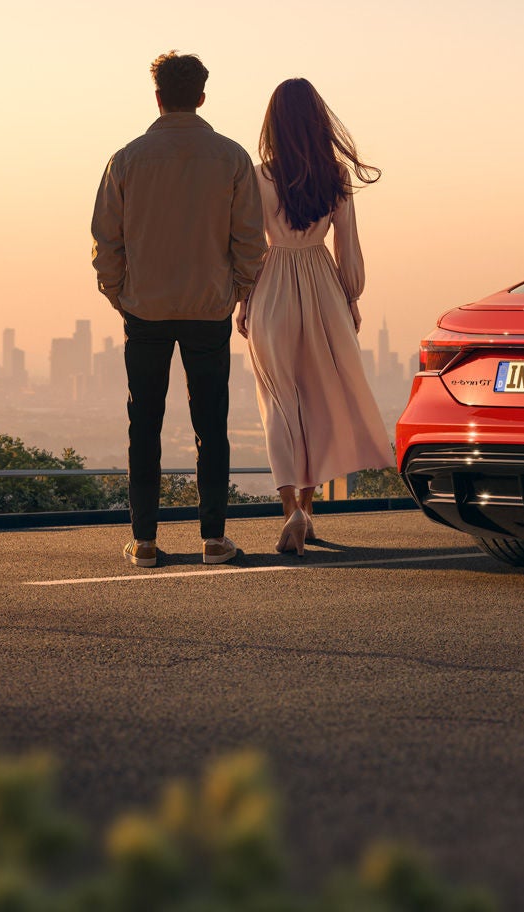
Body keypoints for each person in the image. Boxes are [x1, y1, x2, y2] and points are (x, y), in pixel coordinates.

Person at [92, 51, 265, 568]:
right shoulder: (232, 158)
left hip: (144, 308)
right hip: (207, 308)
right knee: (211, 424)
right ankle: (214, 538)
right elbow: (250, 242)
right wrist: (234, 289)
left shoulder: (126, 158)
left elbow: (107, 239)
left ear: (158, 97)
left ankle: (144, 540)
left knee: (143, 423)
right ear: (202, 97)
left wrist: (119, 294)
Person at [240, 78, 393, 554]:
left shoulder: (257, 176)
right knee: (320, 399)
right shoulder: (336, 178)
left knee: (279, 403)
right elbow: (348, 246)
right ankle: (308, 507)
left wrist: (245, 300)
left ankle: (291, 513)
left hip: (272, 286)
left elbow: (246, 246)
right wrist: (350, 296)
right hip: (323, 285)